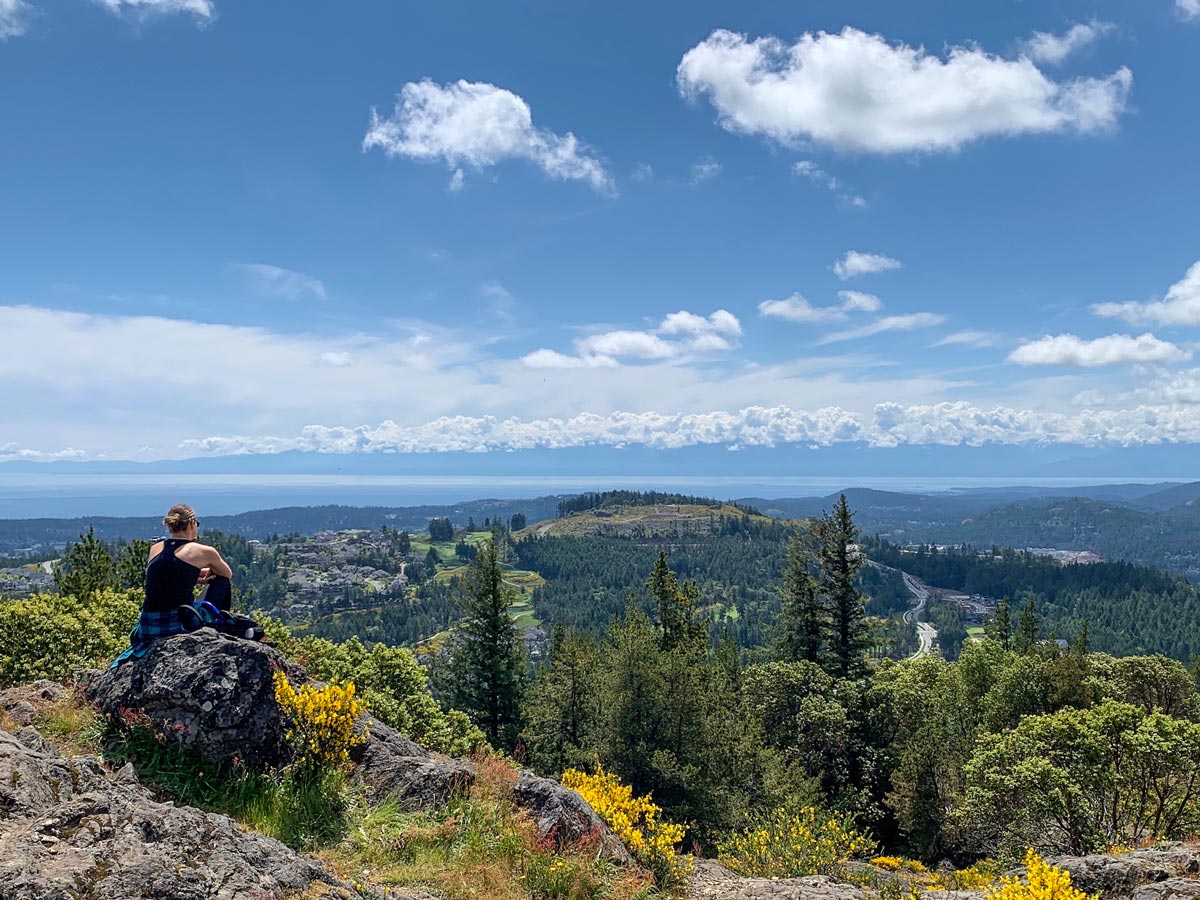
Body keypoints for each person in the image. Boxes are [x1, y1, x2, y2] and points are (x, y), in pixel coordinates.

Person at [112, 503, 234, 665]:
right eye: (196, 524)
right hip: (178, 624)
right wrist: (205, 573)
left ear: (170, 527)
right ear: (191, 524)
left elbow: (165, 578)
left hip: (148, 626)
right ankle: (217, 629)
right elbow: (227, 574)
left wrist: (195, 576)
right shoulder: (203, 551)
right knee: (222, 583)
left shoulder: (155, 548)